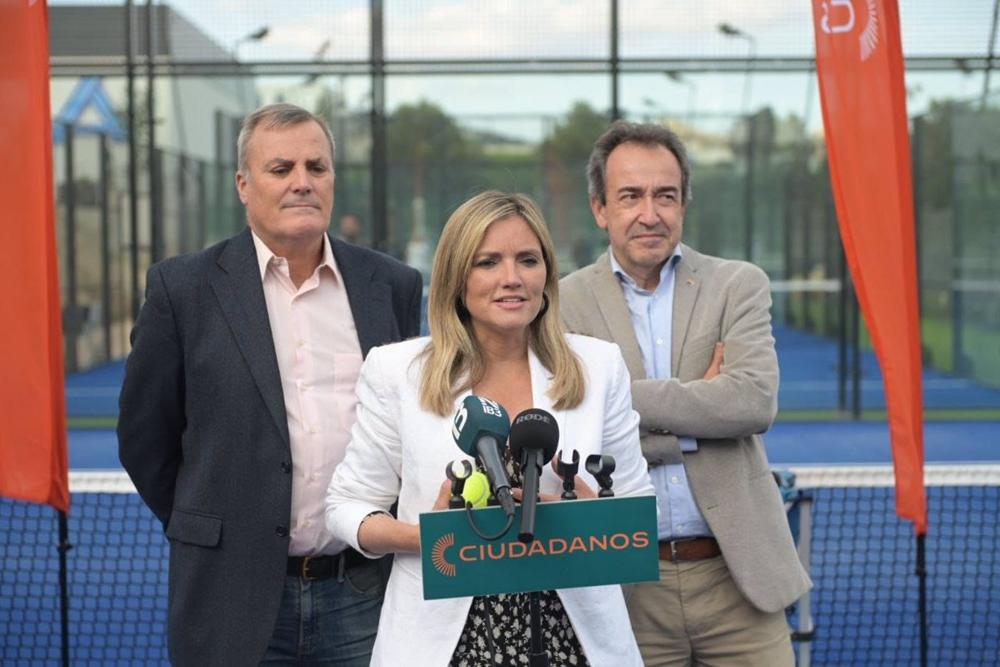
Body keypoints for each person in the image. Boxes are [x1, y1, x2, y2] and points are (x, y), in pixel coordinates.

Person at [117, 103, 423, 666]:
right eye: (281, 169)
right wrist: (214, 526)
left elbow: (409, 430)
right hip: (231, 593)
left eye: (317, 167)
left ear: (333, 179)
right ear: (243, 184)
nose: (302, 182)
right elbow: (145, 439)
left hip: (364, 592)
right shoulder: (182, 290)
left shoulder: (393, 286)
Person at [324, 190, 654, 666]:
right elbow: (346, 507)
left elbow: (639, 512)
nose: (512, 279)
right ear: (457, 279)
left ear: (547, 273)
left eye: (527, 259)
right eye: (488, 262)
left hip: (577, 642)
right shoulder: (397, 371)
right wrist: (431, 538)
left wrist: (582, 510)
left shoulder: (599, 366)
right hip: (445, 645)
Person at [560, 121, 812, 666]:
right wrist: (699, 415)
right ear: (600, 208)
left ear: (684, 203)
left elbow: (751, 403)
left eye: (665, 196)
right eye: (631, 196)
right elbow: (575, 434)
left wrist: (620, 400)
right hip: (625, 585)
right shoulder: (562, 303)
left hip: (739, 580)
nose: (650, 213)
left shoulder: (738, 284)